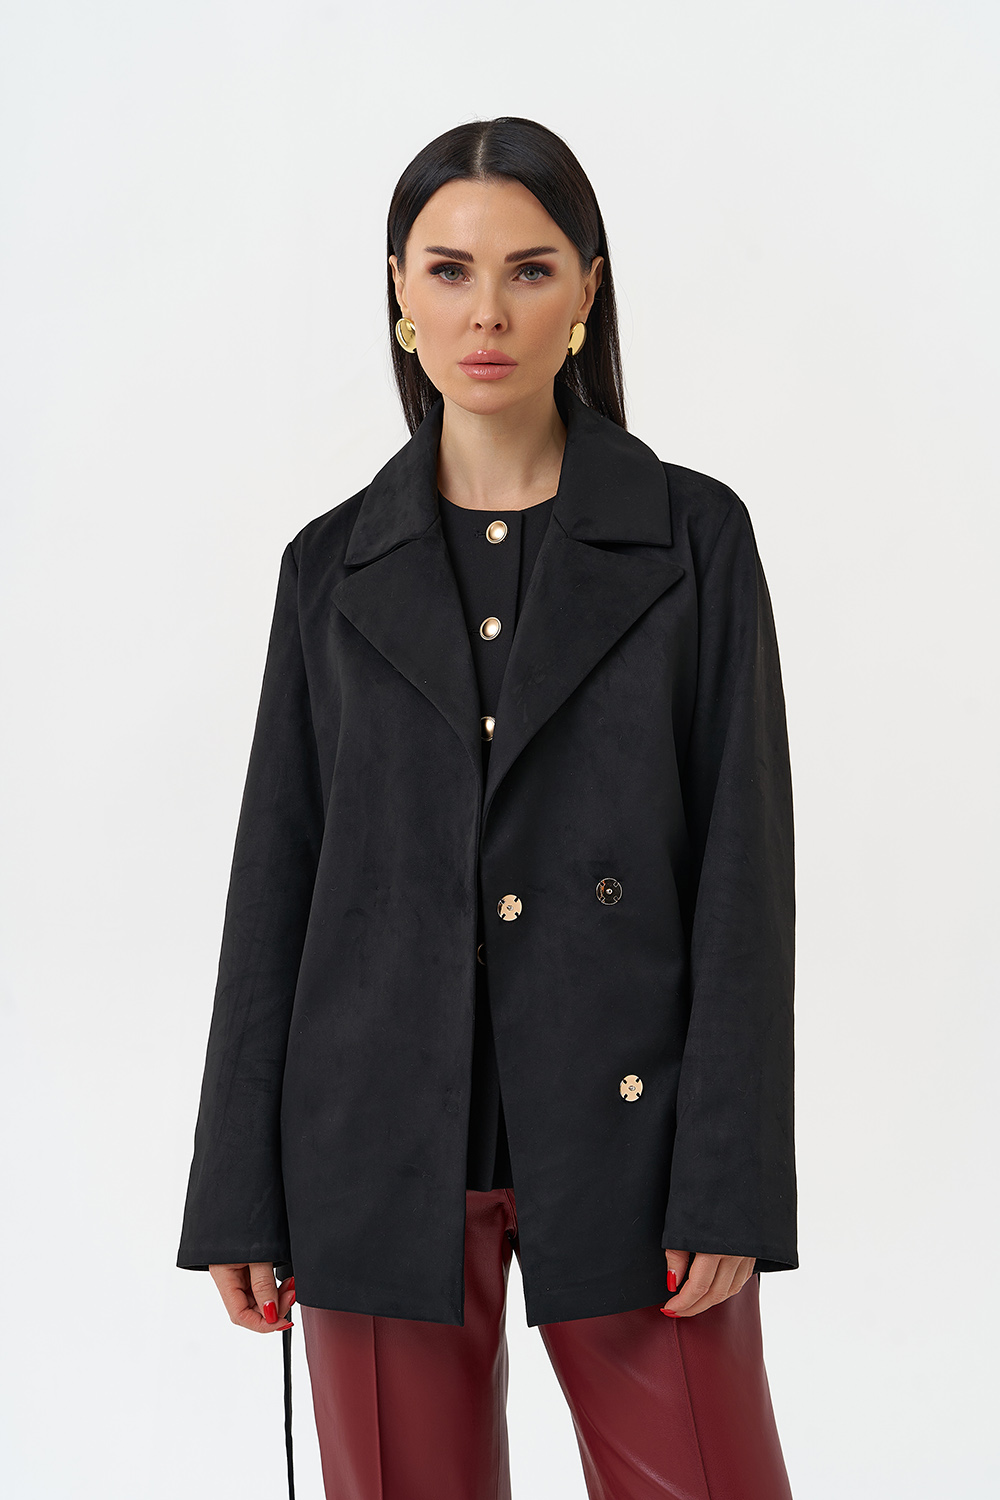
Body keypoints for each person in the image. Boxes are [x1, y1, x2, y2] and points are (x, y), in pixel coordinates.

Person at [177, 116, 798, 1500]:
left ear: (587, 289)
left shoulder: (695, 540)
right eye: (450, 270)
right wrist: (238, 1188)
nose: (488, 312)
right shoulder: (330, 567)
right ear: (401, 291)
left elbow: (746, 876)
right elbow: (276, 878)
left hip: (635, 1136)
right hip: (373, 1140)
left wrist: (733, 1178)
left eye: (530, 269)